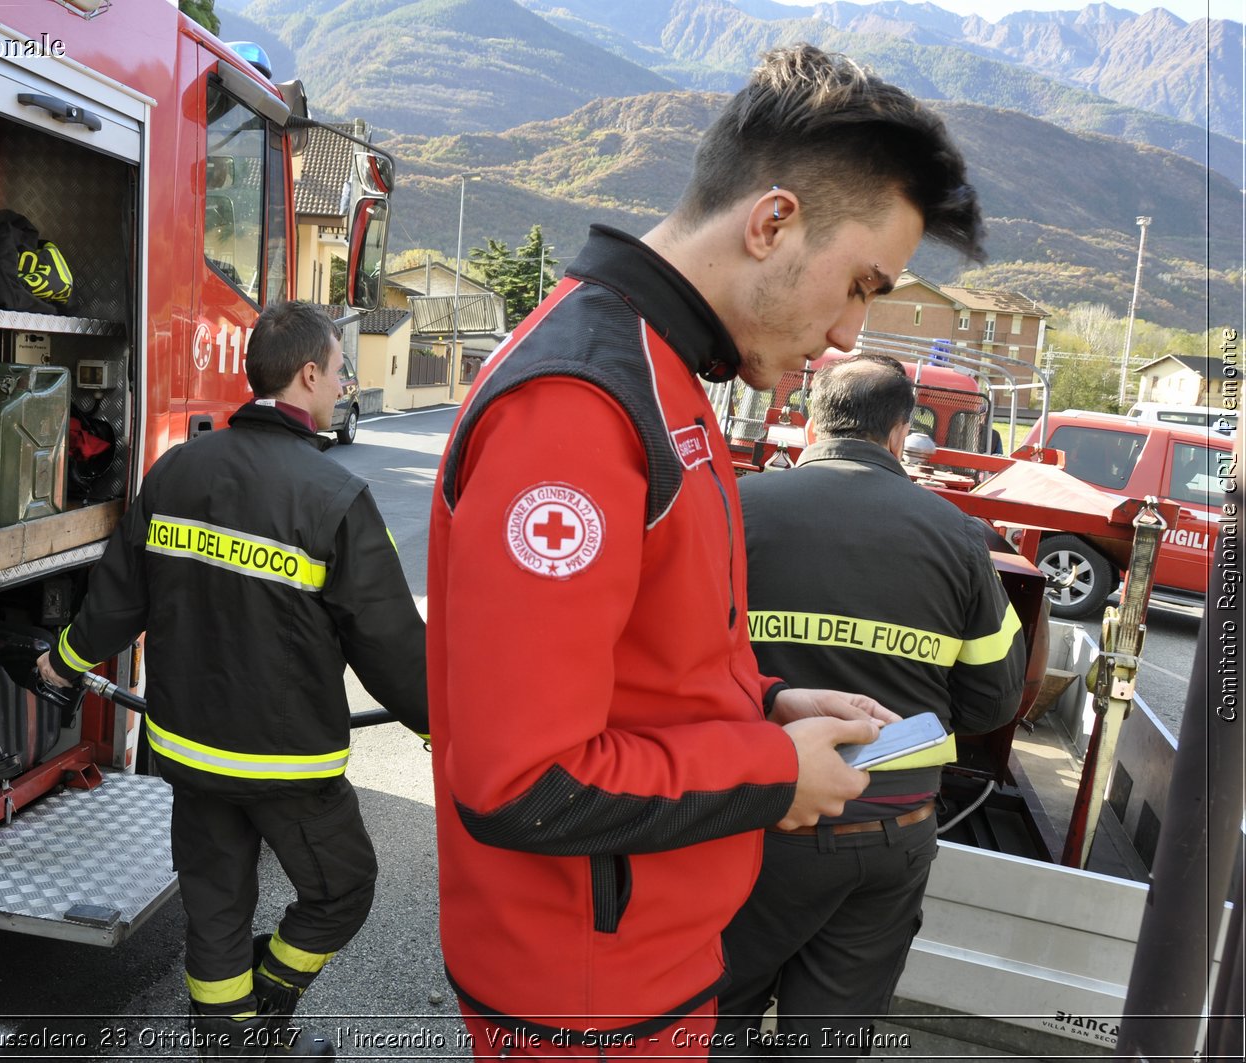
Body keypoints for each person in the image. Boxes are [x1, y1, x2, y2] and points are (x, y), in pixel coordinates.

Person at [426, 44, 984, 1059]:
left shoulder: (663, 370)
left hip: (643, 956)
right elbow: (520, 778)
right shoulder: (581, 403)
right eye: (858, 285)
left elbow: (639, 661)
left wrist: (769, 704)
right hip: (587, 992)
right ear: (771, 221)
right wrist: (770, 772)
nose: (848, 334)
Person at [38, 300, 428, 1059]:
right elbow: (387, 638)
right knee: (341, 889)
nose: (343, 384)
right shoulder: (335, 497)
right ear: (308, 375)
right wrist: (442, 726)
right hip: (290, 764)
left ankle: (229, 1043)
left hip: (189, 750)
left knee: (215, 913)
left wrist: (64, 661)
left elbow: (117, 599)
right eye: (340, 371)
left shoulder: (178, 468)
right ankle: (272, 993)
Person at [714, 354, 1026, 1056]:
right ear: (899, 434)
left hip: (749, 818)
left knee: (706, 1014)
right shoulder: (960, 537)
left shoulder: (735, 507)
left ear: (807, 423)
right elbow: (991, 700)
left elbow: (672, 664)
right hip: (886, 830)